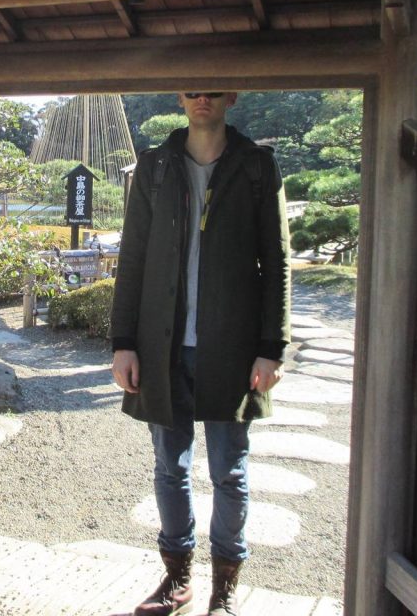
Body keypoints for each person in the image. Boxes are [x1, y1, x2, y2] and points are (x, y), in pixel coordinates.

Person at [110, 91, 291, 616]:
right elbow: (134, 256)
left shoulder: (257, 167)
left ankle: (225, 587)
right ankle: (177, 579)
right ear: (180, 95)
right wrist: (124, 341)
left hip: (231, 349)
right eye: (192, 88)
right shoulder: (156, 167)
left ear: (231, 95)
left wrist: (271, 348)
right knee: (170, 467)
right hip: (161, 346)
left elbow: (277, 262)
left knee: (229, 472)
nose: (202, 98)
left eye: (213, 88)